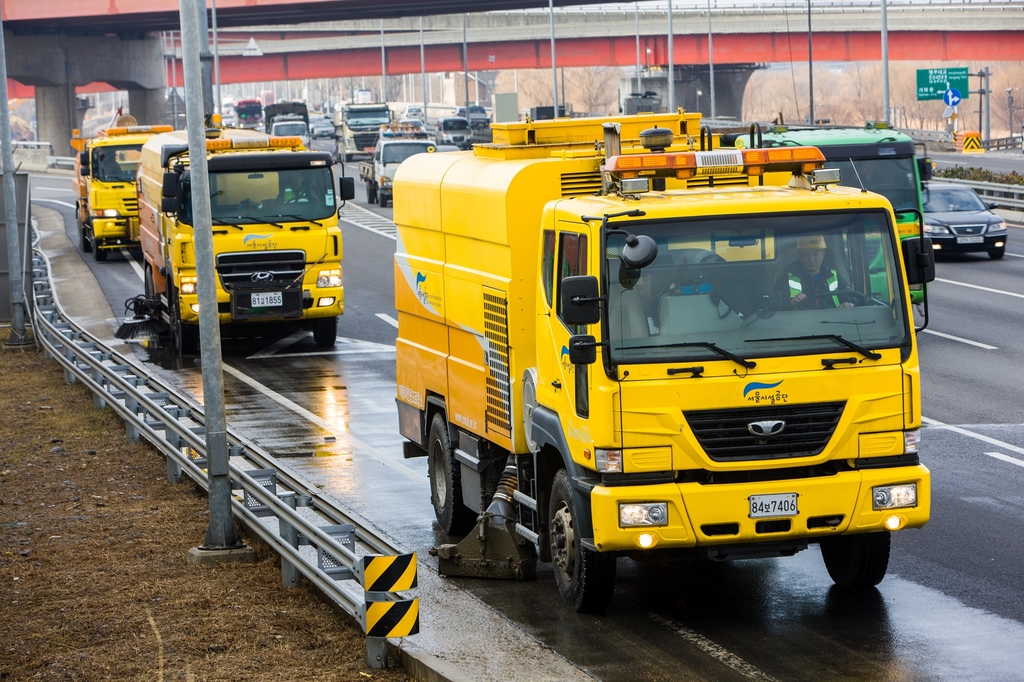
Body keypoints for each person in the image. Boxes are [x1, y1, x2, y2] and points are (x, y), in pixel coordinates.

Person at [776, 234, 854, 309]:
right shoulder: (785, 280)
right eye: (806, 254)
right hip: (798, 322)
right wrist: (791, 303)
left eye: (816, 255)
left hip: (832, 321)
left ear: (823, 255)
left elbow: (853, 299)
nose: (811, 260)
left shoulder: (835, 278)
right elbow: (774, 305)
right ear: (800, 255)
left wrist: (848, 304)